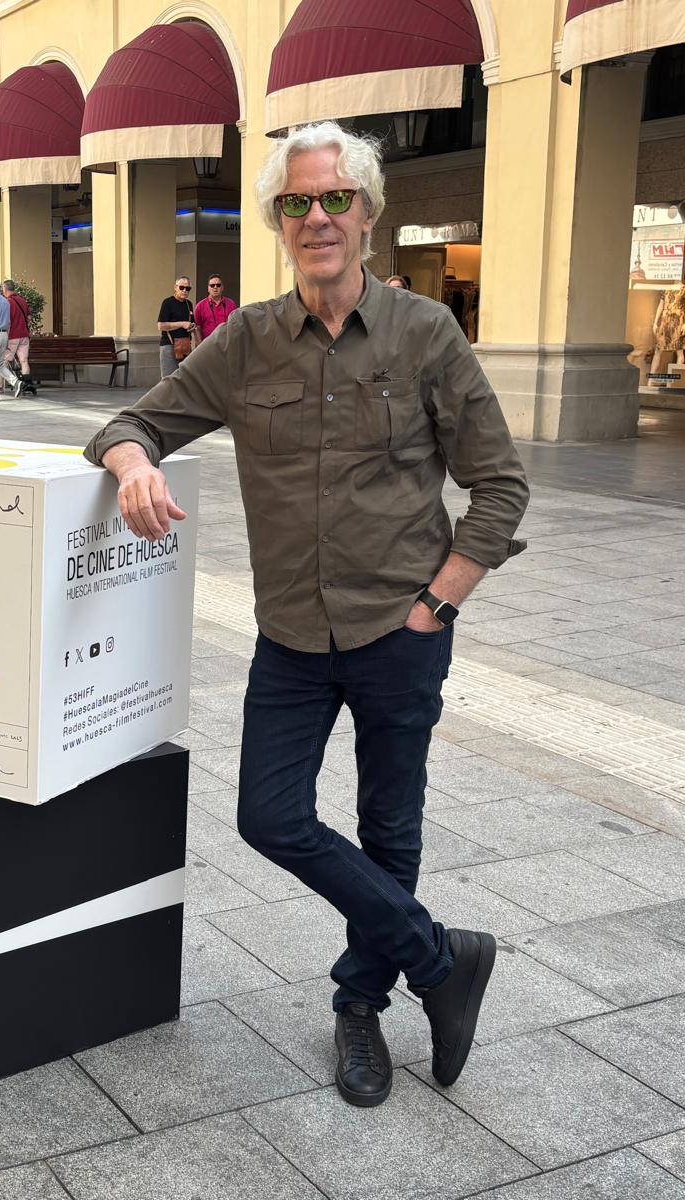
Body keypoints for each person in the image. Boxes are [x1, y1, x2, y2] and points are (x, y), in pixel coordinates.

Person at [84, 120, 529, 1110]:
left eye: (334, 199)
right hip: (290, 634)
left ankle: (359, 1005)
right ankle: (441, 961)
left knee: (387, 827)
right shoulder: (246, 342)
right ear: (278, 223)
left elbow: (498, 485)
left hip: (398, 629)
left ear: (367, 214)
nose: (316, 216)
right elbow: (130, 422)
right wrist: (130, 465)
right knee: (269, 816)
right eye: (296, 203)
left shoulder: (425, 335)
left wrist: (435, 604)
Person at [157, 275, 196, 377]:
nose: (184, 290)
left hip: (185, 346)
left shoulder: (189, 304)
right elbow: (161, 325)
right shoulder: (168, 303)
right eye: (181, 287)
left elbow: (190, 323)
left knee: (184, 379)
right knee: (169, 380)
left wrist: (191, 326)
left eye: (187, 288)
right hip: (169, 345)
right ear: (175, 287)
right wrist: (182, 324)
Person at [2, 282, 35, 398]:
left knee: (3, 361)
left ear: (5, 289)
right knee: (24, 361)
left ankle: (3, 386)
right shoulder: (23, 301)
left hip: (13, 336)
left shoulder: (7, 303)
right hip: (24, 335)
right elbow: (29, 318)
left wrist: (6, 337)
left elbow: (8, 322)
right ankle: (27, 383)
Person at [193, 274, 237, 341]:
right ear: (208, 288)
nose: (215, 287)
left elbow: (235, 325)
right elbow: (197, 329)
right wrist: (200, 346)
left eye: (218, 285)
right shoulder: (200, 306)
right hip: (208, 345)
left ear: (222, 287)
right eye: (212, 285)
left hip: (227, 344)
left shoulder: (231, 304)